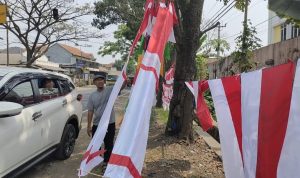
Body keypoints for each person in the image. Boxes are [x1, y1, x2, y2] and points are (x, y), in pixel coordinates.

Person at [87, 74, 123, 169]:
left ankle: (106, 162)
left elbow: (121, 86)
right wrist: (88, 125)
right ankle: (97, 159)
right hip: (97, 124)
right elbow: (90, 111)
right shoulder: (92, 96)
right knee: (96, 144)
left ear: (104, 81)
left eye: (102, 79)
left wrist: (124, 79)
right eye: (97, 80)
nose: (100, 81)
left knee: (109, 143)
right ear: (94, 82)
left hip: (109, 123)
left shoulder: (110, 90)